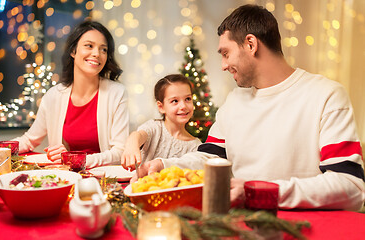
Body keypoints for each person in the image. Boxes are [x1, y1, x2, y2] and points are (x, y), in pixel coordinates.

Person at [134, 4, 365, 211]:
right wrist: (163, 165)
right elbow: (210, 158)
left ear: (251, 44)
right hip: (238, 225)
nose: (223, 65)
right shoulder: (235, 101)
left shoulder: (326, 95)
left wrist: (259, 192)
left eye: (226, 54)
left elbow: (350, 186)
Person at [0, 21, 129, 168]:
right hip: (64, 177)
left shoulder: (117, 93)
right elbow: (29, 140)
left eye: (104, 49)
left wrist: (75, 159)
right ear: (73, 51)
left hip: (104, 180)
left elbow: (120, 151)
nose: (97, 54)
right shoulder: (53, 96)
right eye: (89, 46)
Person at [121, 74, 201, 171]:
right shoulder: (154, 128)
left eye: (188, 99)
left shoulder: (195, 145)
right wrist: (132, 144)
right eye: (175, 101)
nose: (183, 106)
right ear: (161, 107)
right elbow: (137, 135)